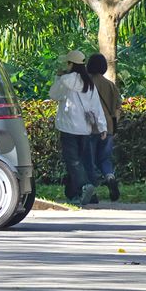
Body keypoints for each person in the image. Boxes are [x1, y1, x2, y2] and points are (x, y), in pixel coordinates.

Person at [49, 49, 107, 206]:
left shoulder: (65, 80)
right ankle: (74, 194)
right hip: (85, 128)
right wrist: (102, 127)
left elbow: (53, 95)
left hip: (68, 127)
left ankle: (84, 187)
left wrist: (58, 77)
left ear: (70, 64)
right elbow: (96, 106)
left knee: (73, 162)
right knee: (80, 161)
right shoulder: (89, 83)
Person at [86, 53, 122, 201]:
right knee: (105, 159)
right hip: (108, 127)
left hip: (90, 127)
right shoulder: (110, 85)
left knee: (90, 160)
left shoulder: (85, 83)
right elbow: (118, 108)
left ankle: (92, 192)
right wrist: (113, 123)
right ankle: (110, 177)